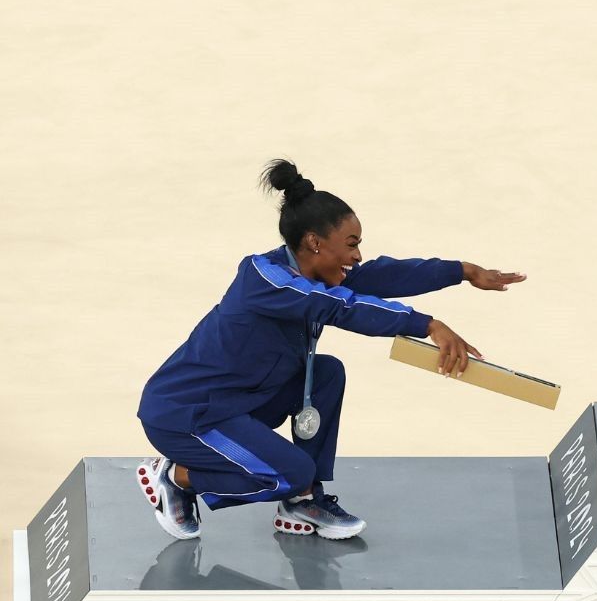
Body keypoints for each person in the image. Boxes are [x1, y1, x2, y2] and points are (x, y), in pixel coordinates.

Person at [134, 159, 525, 540]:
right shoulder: (264, 277)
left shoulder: (316, 271)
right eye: (351, 244)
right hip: (187, 413)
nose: (356, 255)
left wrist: (462, 271)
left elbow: (382, 274)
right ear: (314, 243)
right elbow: (339, 307)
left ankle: (303, 501)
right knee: (290, 473)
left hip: (239, 401)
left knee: (326, 372)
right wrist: (429, 325)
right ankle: (176, 476)